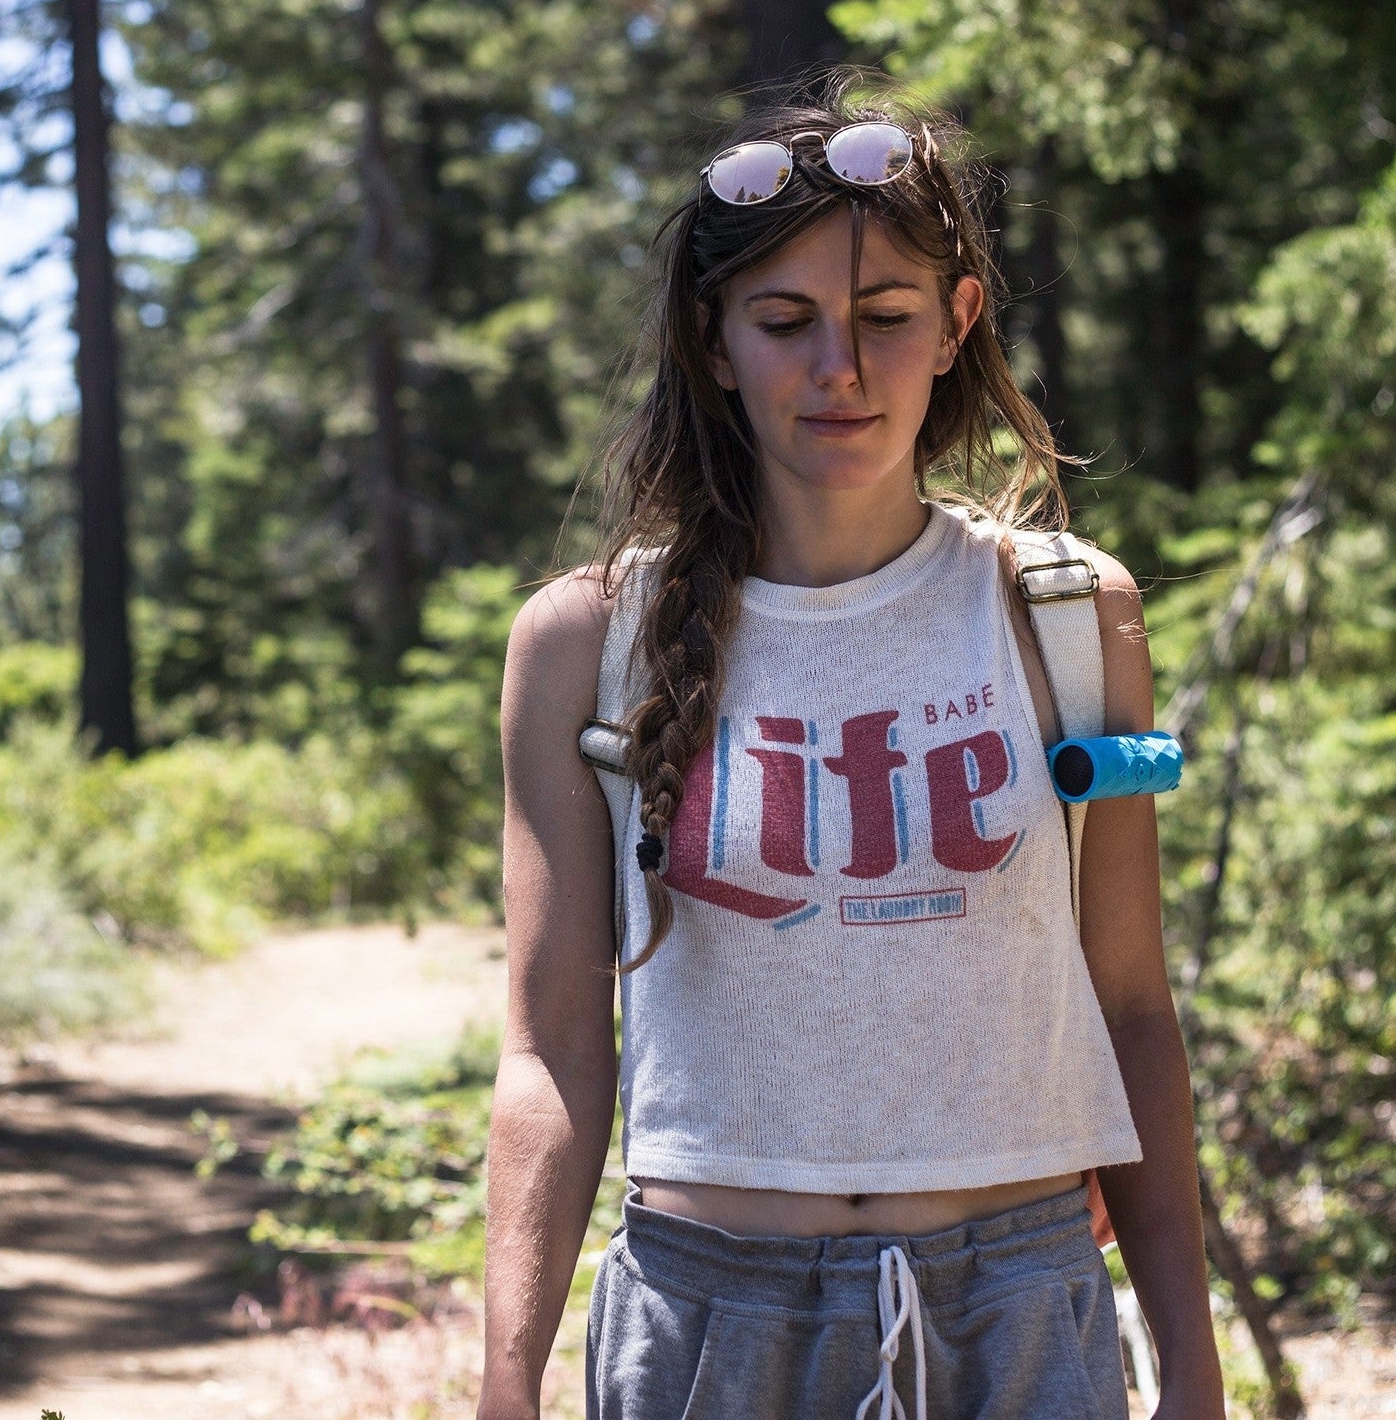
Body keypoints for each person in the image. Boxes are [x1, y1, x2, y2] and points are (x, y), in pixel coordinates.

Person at [477, 73, 1225, 1420]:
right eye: (784, 322)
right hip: (709, 1324)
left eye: (885, 318)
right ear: (714, 342)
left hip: (1019, 1317)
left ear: (957, 323)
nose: (840, 367)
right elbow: (551, 1051)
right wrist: (506, 1382)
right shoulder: (588, 641)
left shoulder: (1065, 615)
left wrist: (1193, 1366)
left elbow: (1128, 1007)